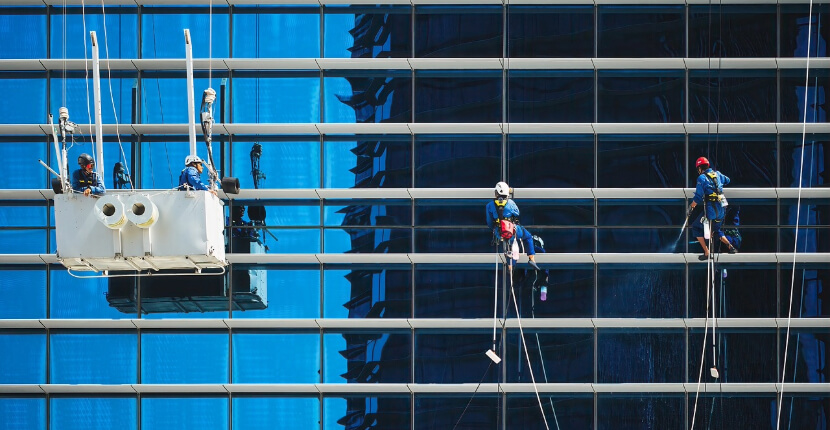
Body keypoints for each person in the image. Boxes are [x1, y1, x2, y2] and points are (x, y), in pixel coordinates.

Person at [688, 156, 737, 260]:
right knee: (716, 229)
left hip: (711, 210)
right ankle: (731, 247)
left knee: (696, 227)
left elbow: (697, 197)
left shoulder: (701, 178)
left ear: (699, 168)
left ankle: (707, 252)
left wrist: (691, 208)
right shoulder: (717, 174)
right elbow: (727, 180)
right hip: (722, 209)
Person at [485, 181, 540, 270]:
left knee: (509, 246)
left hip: (499, 231)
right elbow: (517, 213)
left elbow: (489, 222)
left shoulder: (489, 205)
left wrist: (495, 230)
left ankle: (510, 267)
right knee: (528, 237)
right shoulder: (510, 203)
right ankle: (531, 259)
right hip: (512, 229)